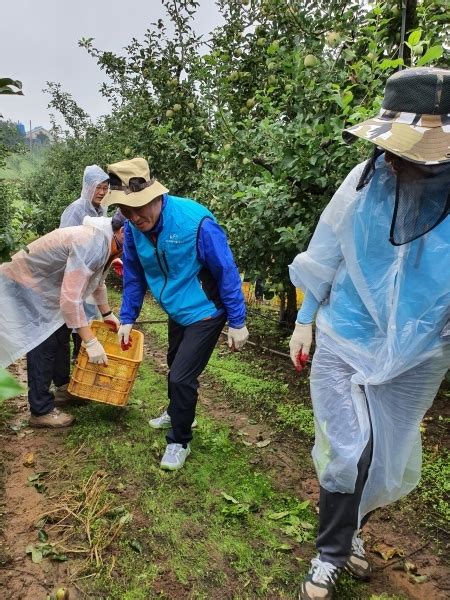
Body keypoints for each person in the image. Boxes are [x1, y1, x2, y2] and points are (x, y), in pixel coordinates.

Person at [288, 67, 450, 600]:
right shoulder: (360, 186)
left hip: (420, 352)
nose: (405, 163)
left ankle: (353, 531)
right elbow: (326, 255)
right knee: (348, 449)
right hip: (345, 333)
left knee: (384, 453)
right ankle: (330, 553)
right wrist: (305, 318)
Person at [101, 157, 249, 471]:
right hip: (176, 308)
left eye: (140, 207)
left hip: (206, 311)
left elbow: (226, 270)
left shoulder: (194, 221)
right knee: (173, 363)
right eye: (127, 210)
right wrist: (127, 317)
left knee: (182, 376)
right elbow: (134, 276)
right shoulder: (133, 229)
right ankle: (177, 410)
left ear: (156, 195)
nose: (135, 217)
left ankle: (179, 439)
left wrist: (237, 321)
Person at [0, 213, 125, 428]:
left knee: (60, 333)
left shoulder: (109, 242)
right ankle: (40, 410)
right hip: (25, 279)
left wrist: (106, 314)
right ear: (123, 231)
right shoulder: (92, 244)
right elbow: (70, 299)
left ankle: (62, 387)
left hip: (46, 285)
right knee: (43, 340)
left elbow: (96, 282)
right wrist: (90, 341)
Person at [60, 165, 110, 361]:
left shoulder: (101, 210)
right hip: (75, 273)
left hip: (92, 272)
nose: (101, 192)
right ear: (87, 186)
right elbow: (65, 242)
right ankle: (73, 360)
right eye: (98, 187)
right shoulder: (76, 209)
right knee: (73, 314)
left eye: (105, 188)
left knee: (88, 315)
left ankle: (82, 359)